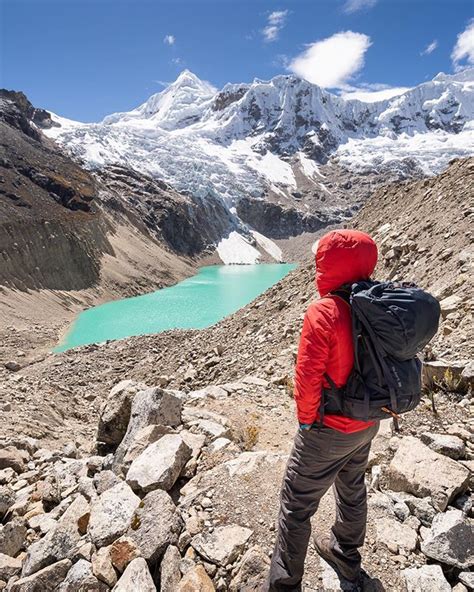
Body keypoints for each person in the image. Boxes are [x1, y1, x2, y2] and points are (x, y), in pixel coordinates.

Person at [266, 229, 380, 592]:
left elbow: (308, 374)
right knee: (352, 488)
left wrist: (306, 423)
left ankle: (284, 585)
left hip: (329, 427)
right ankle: (345, 557)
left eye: (321, 259)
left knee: (296, 504)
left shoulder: (325, 311)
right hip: (368, 419)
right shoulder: (377, 306)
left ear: (330, 264)